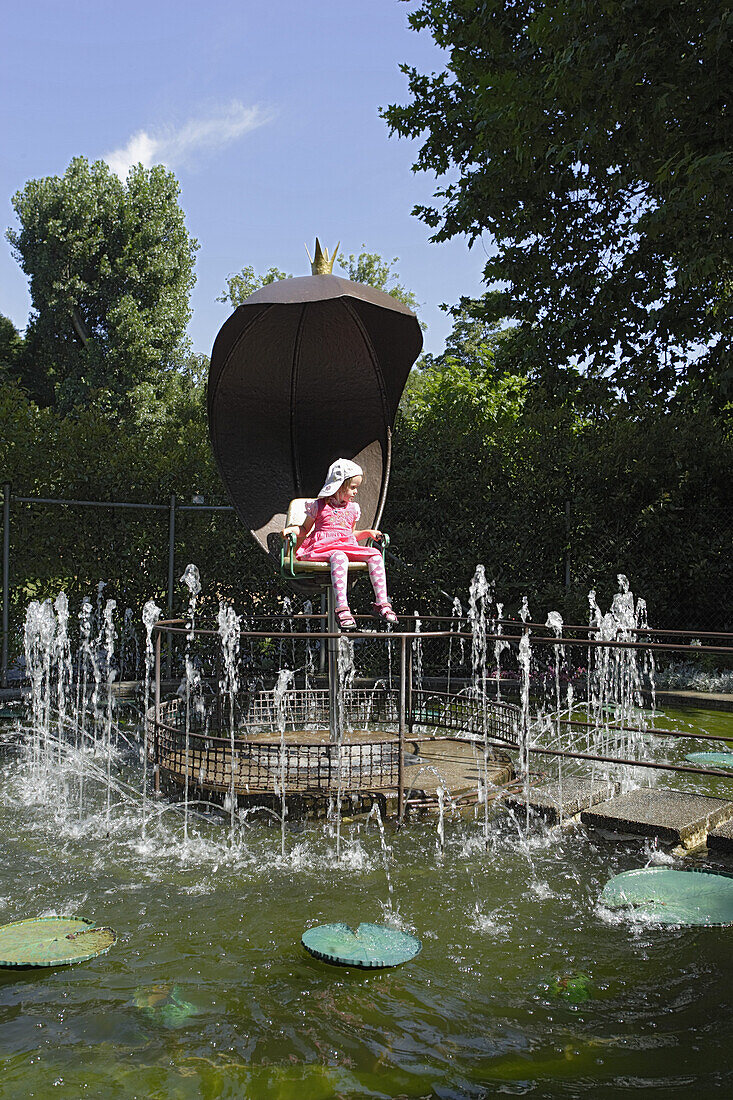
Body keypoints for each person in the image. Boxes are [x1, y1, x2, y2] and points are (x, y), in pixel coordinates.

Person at [281, 458, 398, 630]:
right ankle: (342, 608)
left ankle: (382, 604)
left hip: (345, 544)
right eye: (352, 487)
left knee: (375, 554)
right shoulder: (318, 506)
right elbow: (305, 529)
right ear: (338, 485)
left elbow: (350, 534)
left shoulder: (353, 508)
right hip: (324, 547)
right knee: (339, 556)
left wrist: (367, 533)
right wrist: (292, 530)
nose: (355, 492)